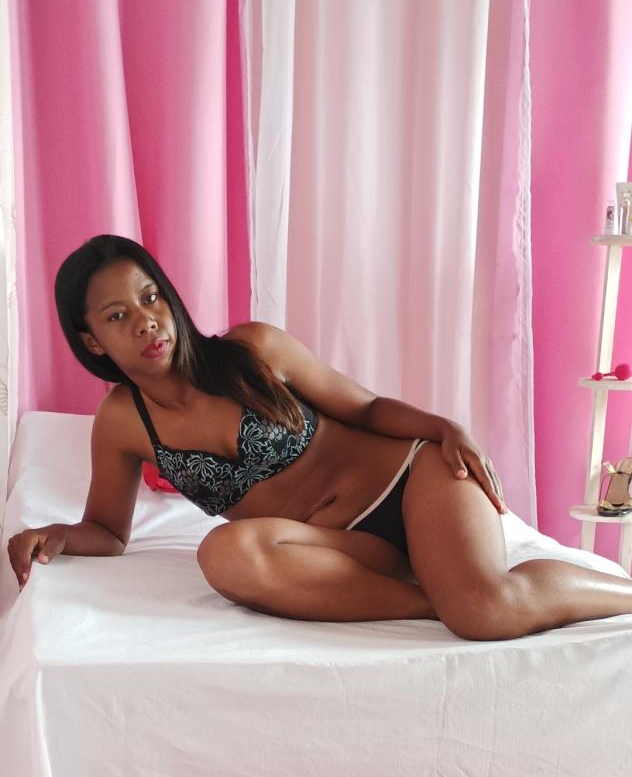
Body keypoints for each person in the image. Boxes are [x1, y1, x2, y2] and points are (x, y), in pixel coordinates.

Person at [7, 233, 632, 639]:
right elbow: (109, 531)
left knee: (483, 611)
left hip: (411, 482)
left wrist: (446, 429)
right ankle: (426, 600)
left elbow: (367, 407)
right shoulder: (122, 421)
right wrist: (54, 535)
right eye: (118, 316)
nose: (146, 322)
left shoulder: (253, 348)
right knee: (223, 553)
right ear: (92, 341)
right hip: (345, 551)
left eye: (151, 299)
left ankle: (588, 593)